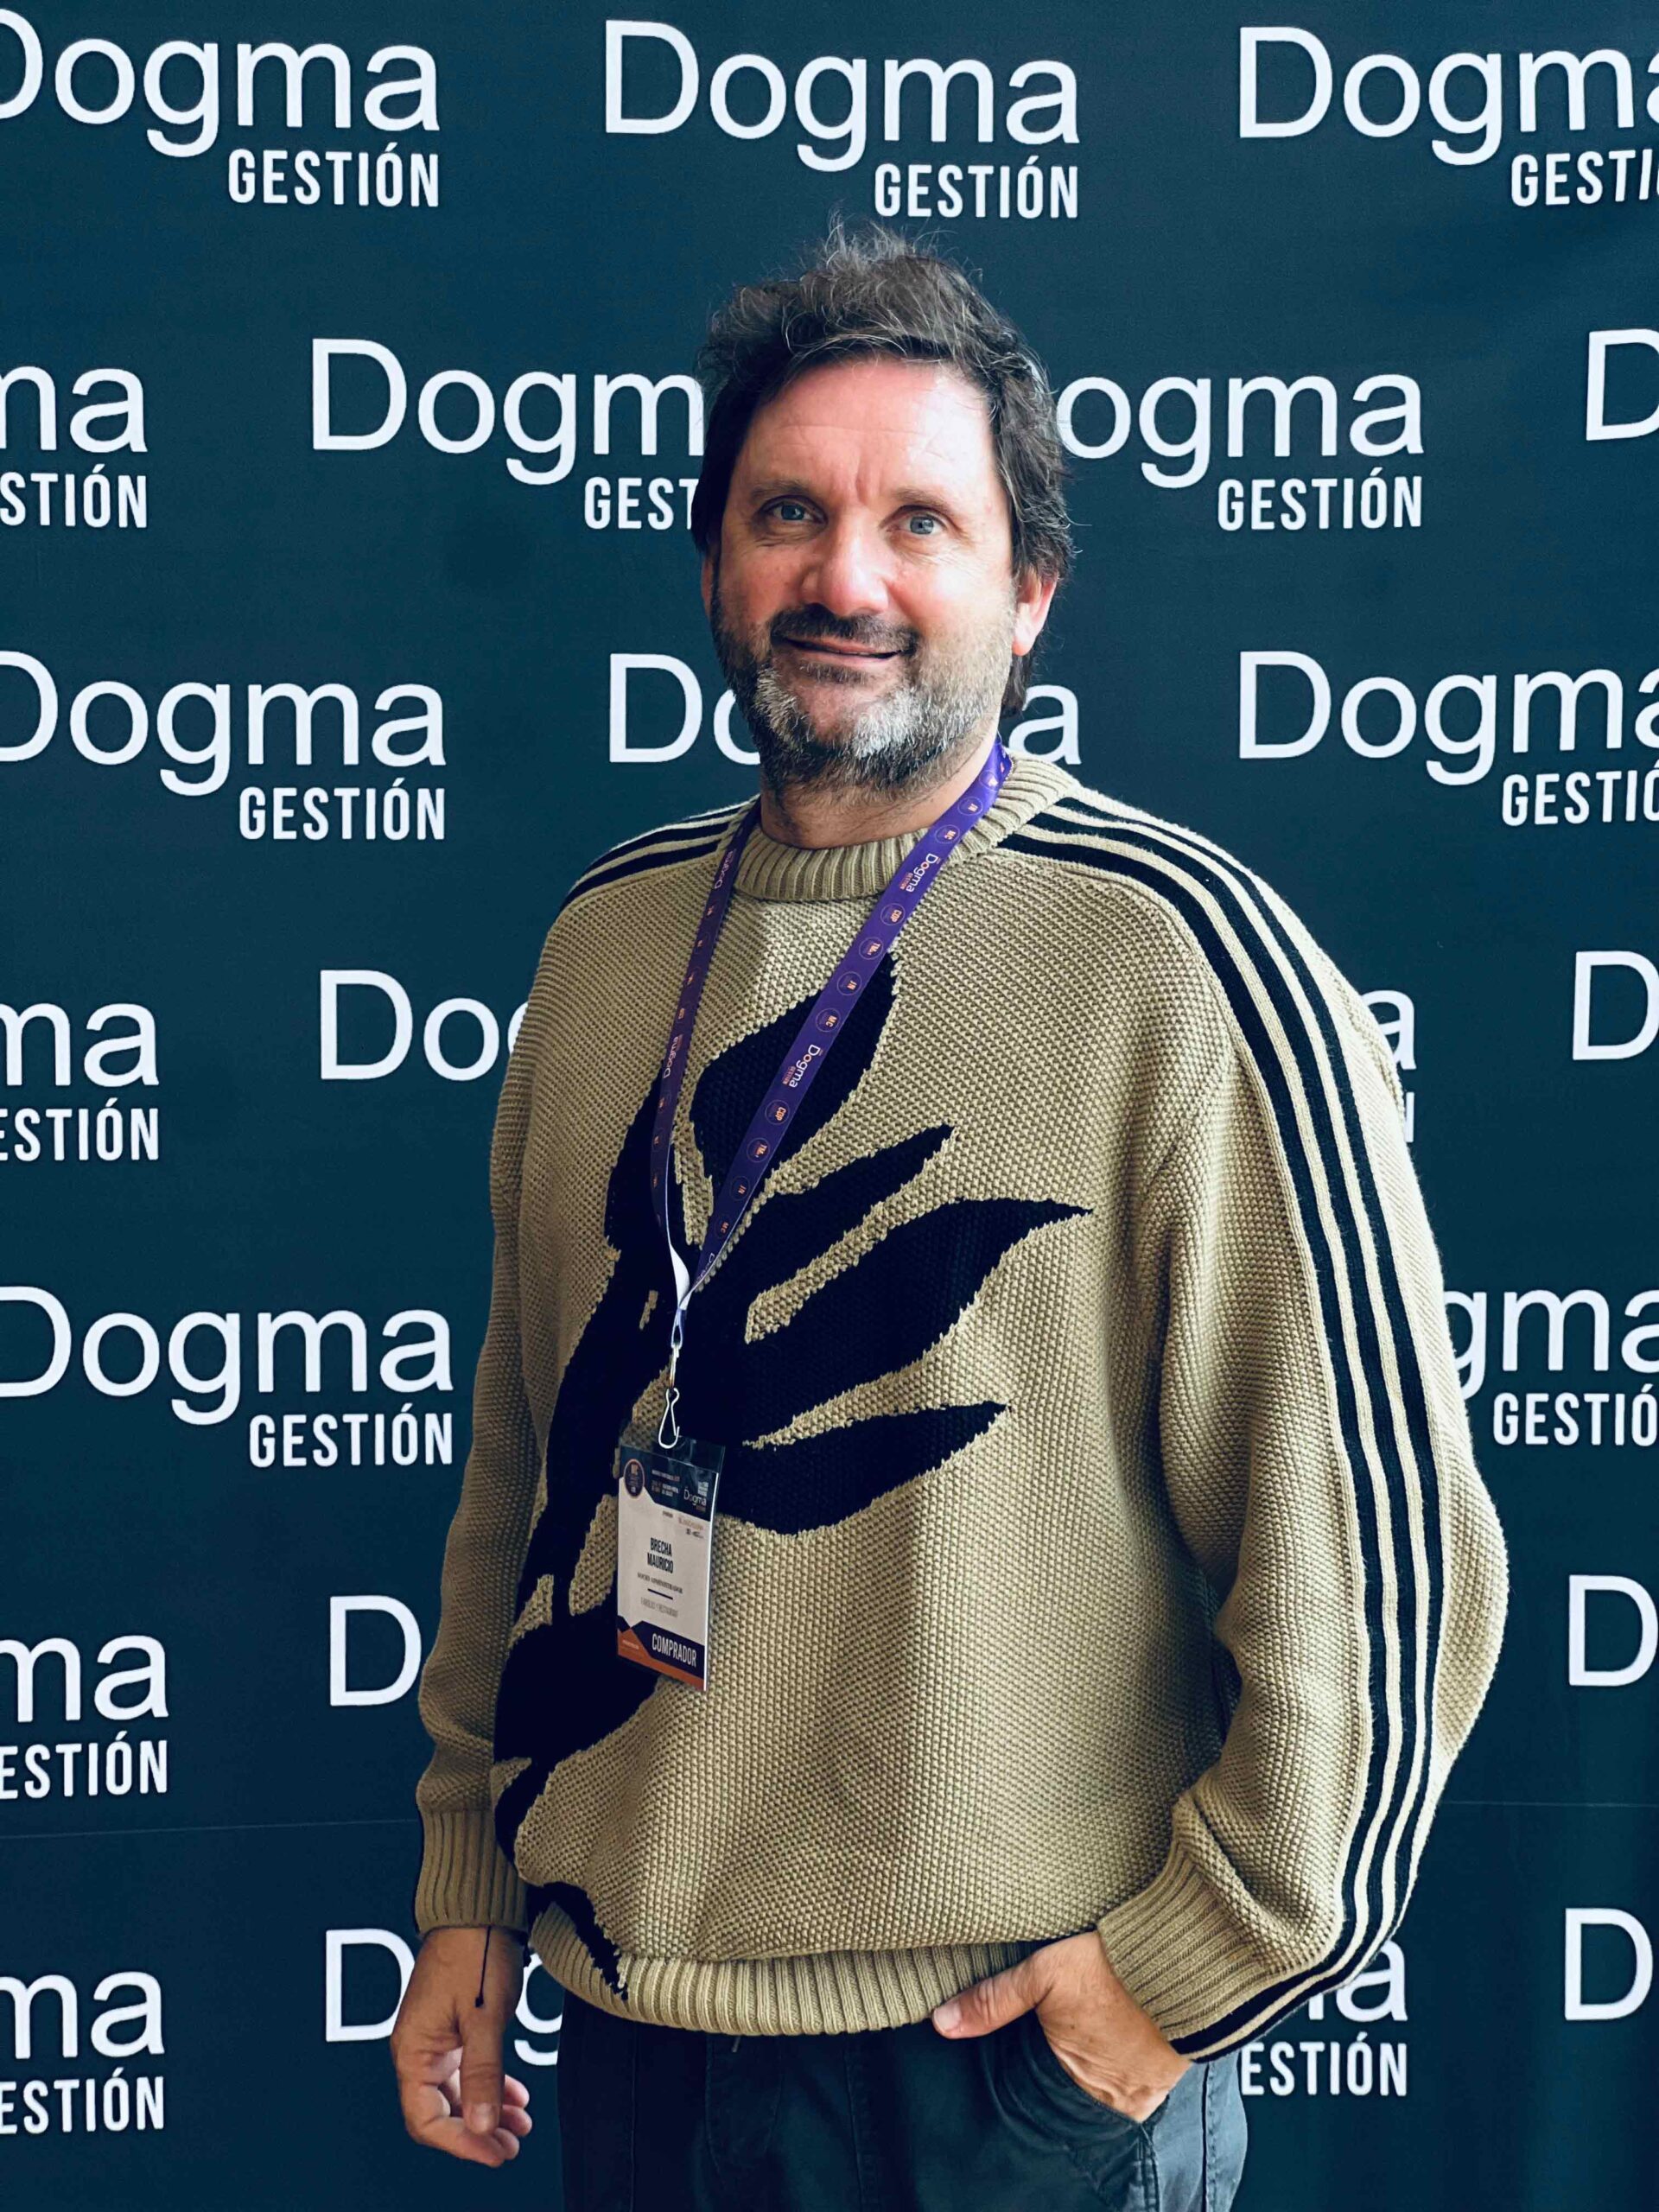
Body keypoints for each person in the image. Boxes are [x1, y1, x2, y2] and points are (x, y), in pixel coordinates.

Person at [389, 219, 1510, 2212]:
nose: (848, 578)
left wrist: (1186, 1973)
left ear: (1032, 586)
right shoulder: (609, 939)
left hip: (999, 2067)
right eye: (789, 514)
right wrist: (470, 1869)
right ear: (717, 566)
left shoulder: (1179, 964)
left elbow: (1387, 1557)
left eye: (922, 521)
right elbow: (521, 1468)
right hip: (635, 2030)